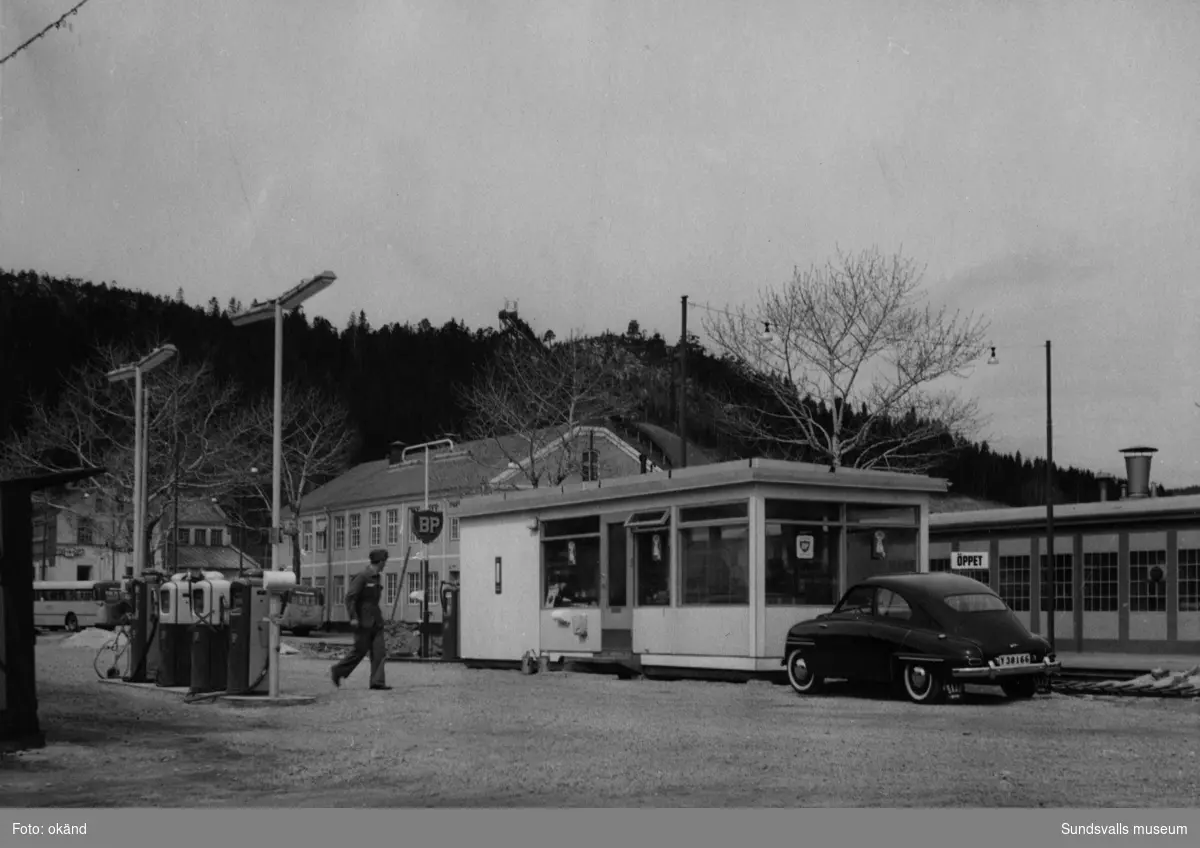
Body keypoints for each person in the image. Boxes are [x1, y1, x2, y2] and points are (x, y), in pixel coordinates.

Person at [330, 548, 392, 691]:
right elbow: (350, 597)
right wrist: (353, 617)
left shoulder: (378, 577)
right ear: (380, 562)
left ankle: (377, 682)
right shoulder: (362, 577)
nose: (385, 564)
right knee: (359, 651)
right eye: (384, 562)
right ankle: (338, 671)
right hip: (363, 621)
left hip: (376, 620)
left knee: (379, 652)